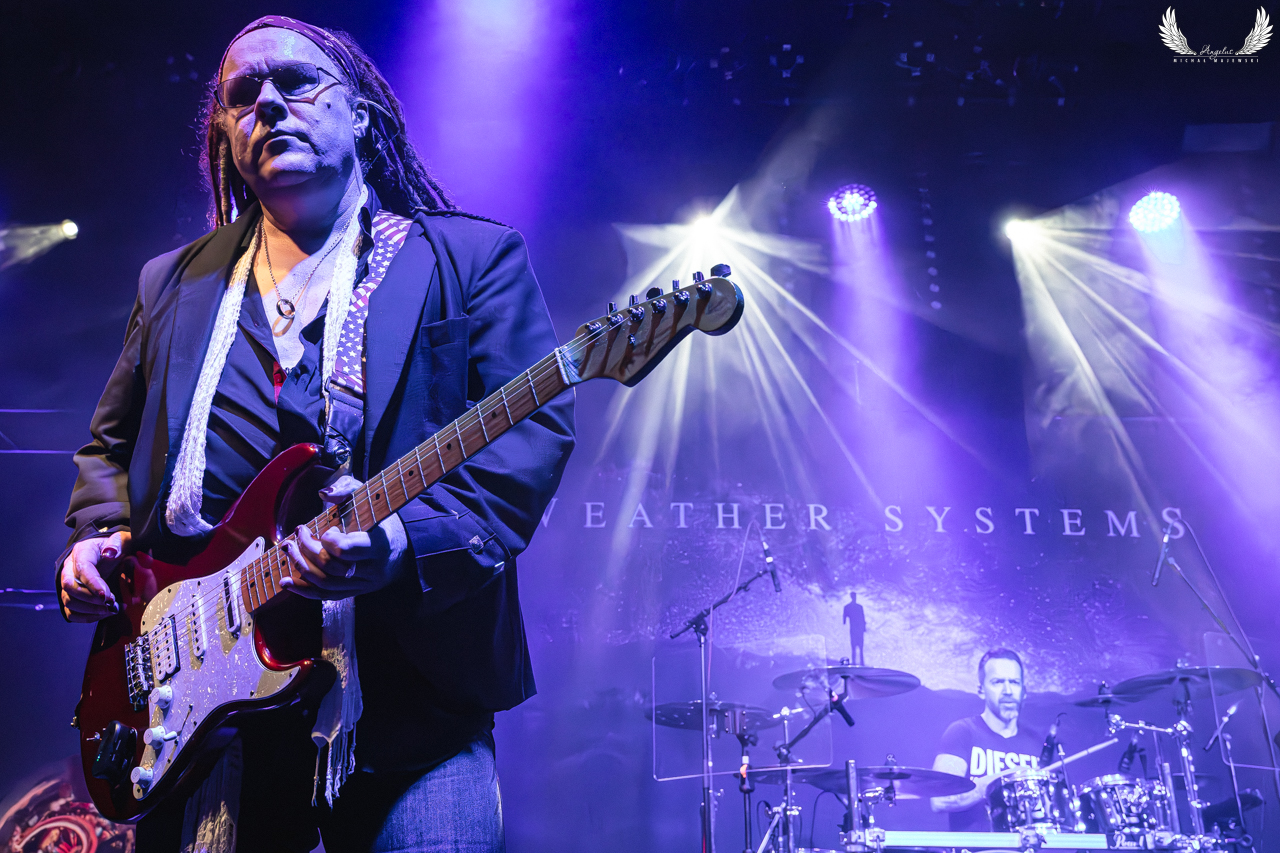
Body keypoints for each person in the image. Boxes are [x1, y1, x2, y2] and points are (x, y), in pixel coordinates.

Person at [56, 15, 574, 852]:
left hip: (412, 705)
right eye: (242, 94)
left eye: (296, 82)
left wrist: (401, 543)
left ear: (360, 114)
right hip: (202, 707)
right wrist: (95, 535)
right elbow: (108, 449)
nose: (268, 103)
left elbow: (530, 436)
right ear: (225, 134)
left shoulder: (470, 259)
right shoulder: (172, 283)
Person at [930, 649, 1043, 832]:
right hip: (977, 845)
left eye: (1014, 682)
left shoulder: (1038, 742)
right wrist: (1004, 779)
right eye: (998, 682)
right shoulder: (962, 732)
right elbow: (940, 800)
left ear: (1024, 691)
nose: (1008, 691)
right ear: (981, 690)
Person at [842, 592, 866, 665]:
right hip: (857, 629)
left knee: (856, 646)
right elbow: (863, 618)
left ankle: (857, 662)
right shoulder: (858, 607)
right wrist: (864, 628)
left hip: (855, 629)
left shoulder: (848, 607)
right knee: (857, 646)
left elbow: (844, 619)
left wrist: (844, 620)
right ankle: (859, 662)